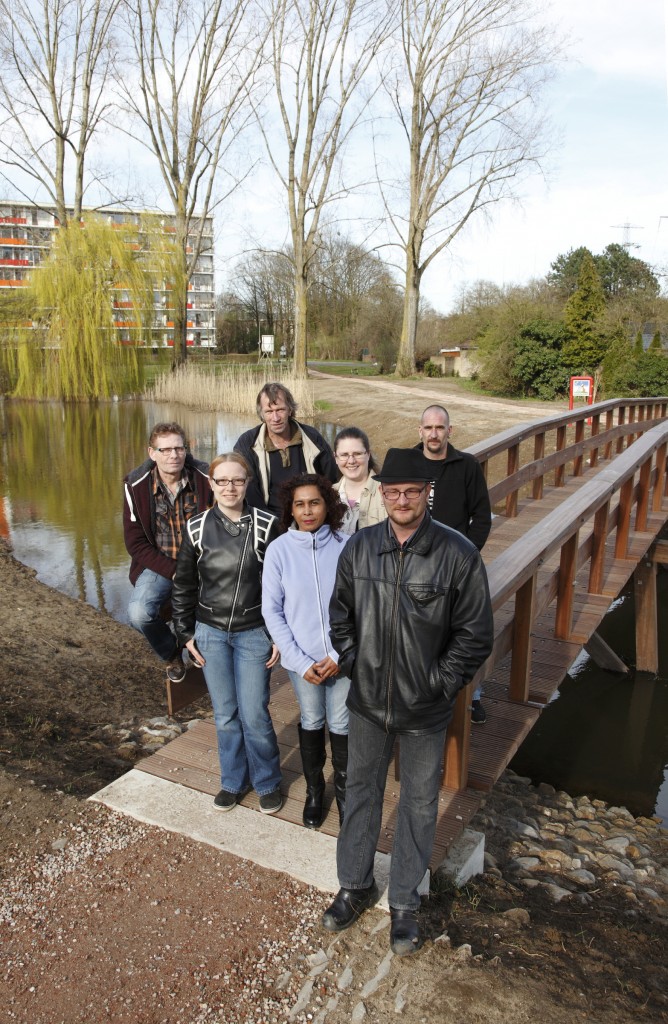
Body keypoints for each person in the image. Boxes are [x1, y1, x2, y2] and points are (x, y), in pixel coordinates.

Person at [322, 448, 493, 956]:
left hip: (426, 708)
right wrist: (358, 664)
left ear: (427, 495)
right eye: (393, 492)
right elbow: (340, 618)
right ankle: (354, 885)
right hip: (368, 702)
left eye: (412, 492)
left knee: (419, 803)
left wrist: (437, 683)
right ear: (382, 494)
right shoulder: (359, 548)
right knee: (360, 793)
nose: (401, 500)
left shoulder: (457, 554)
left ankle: (404, 902)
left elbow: (475, 634)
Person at [170, 453, 284, 814]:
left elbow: (282, 587)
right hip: (211, 634)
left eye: (237, 480)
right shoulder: (196, 527)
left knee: (255, 713)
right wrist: (186, 633)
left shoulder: (268, 525)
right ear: (211, 484)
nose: (230, 487)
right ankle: (232, 781)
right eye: (222, 481)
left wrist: (277, 634)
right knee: (225, 714)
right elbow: (183, 585)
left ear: (247, 483)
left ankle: (267, 781)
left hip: (253, 634)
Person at [262, 474, 351, 829]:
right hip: (303, 663)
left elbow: (359, 606)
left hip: (340, 658)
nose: (307, 510)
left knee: (342, 722)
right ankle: (315, 791)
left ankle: (345, 793)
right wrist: (299, 661)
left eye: (314, 502)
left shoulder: (347, 545)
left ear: (326, 505)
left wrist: (337, 654)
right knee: (313, 720)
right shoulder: (279, 550)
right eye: (299, 504)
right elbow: (272, 610)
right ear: (290, 509)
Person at [417, 404, 492, 723]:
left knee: (468, 629)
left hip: (458, 565)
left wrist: (466, 557)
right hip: (417, 563)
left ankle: (473, 696)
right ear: (419, 431)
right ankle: (423, 691)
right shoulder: (408, 462)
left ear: (450, 431)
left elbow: (481, 517)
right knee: (422, 630)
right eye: (429, 428)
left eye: (440, 428)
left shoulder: (467, 465)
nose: (434, 434)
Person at [123, 422, 211, 683]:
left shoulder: (206, 478)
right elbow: (135, 542)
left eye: (179, 448)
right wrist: (174, 572)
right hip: (159, 564)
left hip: (202, 563)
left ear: (186, 449)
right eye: (166, 449)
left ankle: (195, 644)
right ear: (152, 453)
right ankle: (171, 652)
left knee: (214, 606)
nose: (173, 455)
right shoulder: (135, 485)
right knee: (139, 613)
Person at [234, 382, 339, 517]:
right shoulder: (247, 443)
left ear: (290, 409)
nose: (275, 418)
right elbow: (248, 491)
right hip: (266, 520)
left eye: (280, 410)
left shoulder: (312, 438)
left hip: (308, 517)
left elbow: (331, 479)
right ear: (262, 414)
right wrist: (269, 523)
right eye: (269, 411)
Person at [332, 426, 387, 534]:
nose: (351, 461)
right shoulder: (327, 495)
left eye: (357, 454)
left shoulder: (387, 494)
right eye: (344, 455)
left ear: (368, 454)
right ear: (335, 458)